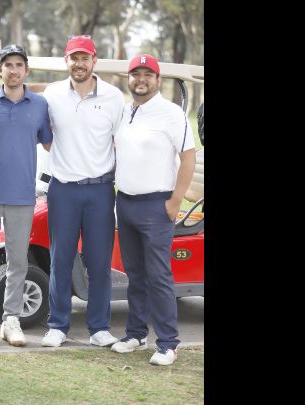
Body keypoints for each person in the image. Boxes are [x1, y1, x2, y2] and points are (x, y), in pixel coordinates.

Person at [110, 53, 196, 366]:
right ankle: (135, 334)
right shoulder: (124, 111)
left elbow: (188, 158)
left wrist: (175, 201)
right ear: (129, 79)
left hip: (157, 205)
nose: (141, 80)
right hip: (126, 202)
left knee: (158, 275)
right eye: (136, 74)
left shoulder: (171, 113)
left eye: (148, 74)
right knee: (135, 273)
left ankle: (168, 343)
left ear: (158, 80)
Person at [40, 35, 125, 348]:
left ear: (94, 61)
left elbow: (120, 141)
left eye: (84, 58)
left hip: (100, 190)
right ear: (66, 61)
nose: (79, 64)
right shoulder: (52, 94)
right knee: (60, 259)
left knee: (98, 261)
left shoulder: (114, 97)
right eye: (74, 58)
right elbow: (45, 137)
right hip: (63, 189)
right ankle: (57, 326)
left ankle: (99, 328)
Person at [0, 44, 53, 347]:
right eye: (8, 65)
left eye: (18, 65)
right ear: (0, 69)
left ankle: (11, 319)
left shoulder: (39, 105)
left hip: (22, 196)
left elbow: (50, 142)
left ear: (26, 70)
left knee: (18, 261)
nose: (13, 70)